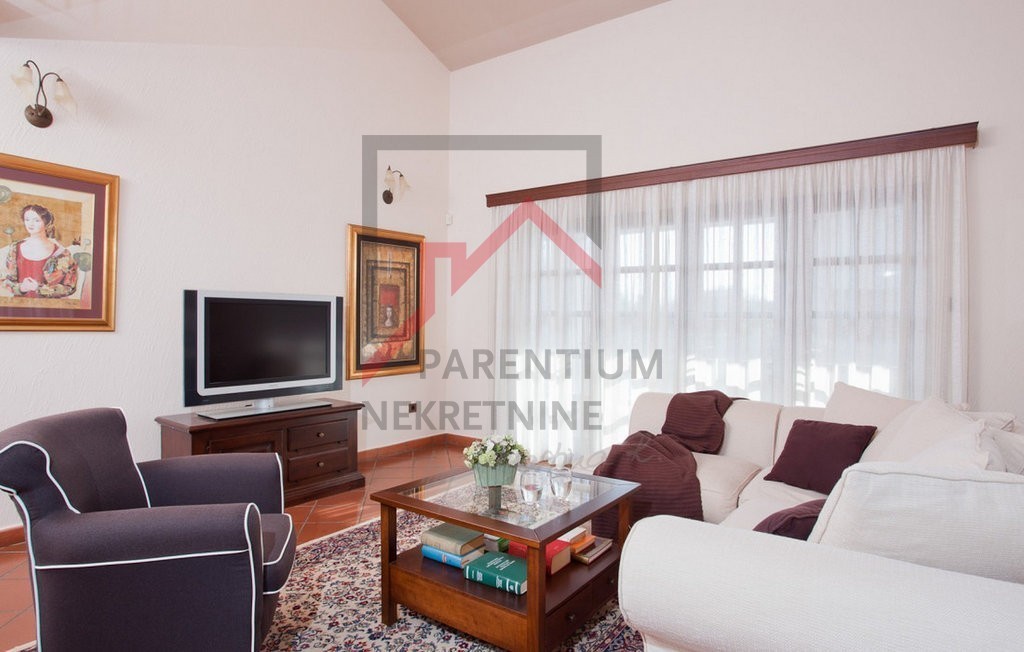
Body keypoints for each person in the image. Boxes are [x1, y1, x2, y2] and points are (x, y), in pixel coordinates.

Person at [2, 204, 78, 298]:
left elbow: (70, 287)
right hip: (19, 304)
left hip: (49, 306)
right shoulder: (15, 248)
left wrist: (39, 288)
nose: (30, 224)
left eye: (36, 220)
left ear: (46, 223)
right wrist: (21, 288)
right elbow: (6, 281)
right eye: (27, 219)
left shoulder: (62, 253)